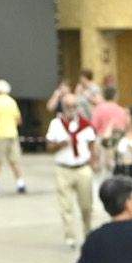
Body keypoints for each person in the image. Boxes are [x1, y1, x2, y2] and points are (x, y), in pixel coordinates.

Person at [47, 97, 100, 244]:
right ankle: (70, 236)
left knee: (86, 205)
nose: (71, 109)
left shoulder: (85, 125)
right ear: (63, 107)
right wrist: (61, 144)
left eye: (74, 106)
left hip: (82, 168)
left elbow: (92, 145)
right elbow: (49, 147)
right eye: (68, 106)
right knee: (66, 205)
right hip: (63, 168)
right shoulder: (56, 124)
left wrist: (94, 162)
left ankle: (88, 232)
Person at [0, 78, 25, 192]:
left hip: (0, 133)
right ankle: (20, 183)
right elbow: (19, 120)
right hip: (13, 133)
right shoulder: (12, 101)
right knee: (14, 160)